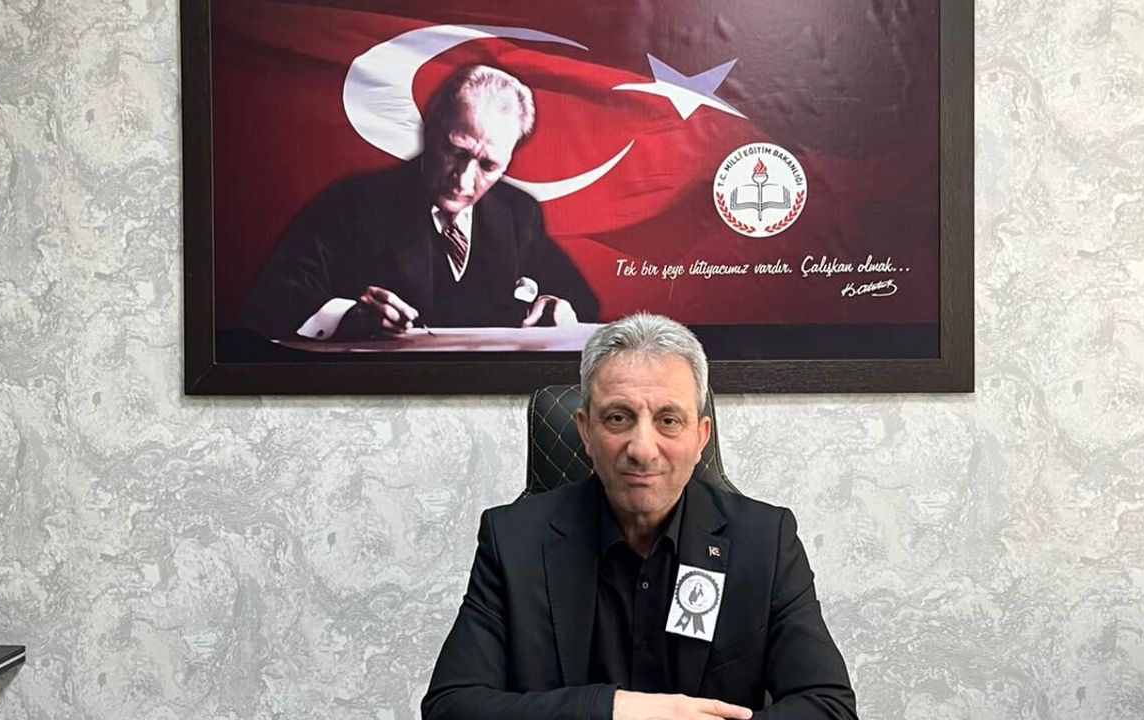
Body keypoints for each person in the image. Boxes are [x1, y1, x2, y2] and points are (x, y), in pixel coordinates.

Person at [422, 313, 859, 720]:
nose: (643, 449)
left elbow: (829, 706)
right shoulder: (512, 540)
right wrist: (610, 710)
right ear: (585, 431)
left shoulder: (765, 542)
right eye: (618, 418)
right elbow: (450, 705)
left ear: (700, 437)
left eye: (669, 420)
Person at [239, 65, 598, 341]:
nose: (463, 180)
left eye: (488, 166)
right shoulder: (352, 204)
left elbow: (583, 304)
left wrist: (560, 310)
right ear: (429, 130)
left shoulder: (518, 212)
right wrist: (349, 317)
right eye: (455, 151)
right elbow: (269, 298)